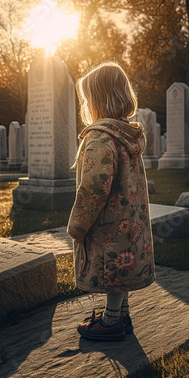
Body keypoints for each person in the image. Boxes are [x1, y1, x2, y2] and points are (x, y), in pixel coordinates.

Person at [67, 61, 156, 342]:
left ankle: (111, 321)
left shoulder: (99, 138)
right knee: (121, 266)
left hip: (108, 222)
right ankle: (120, 315)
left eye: (87, 98)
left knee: (112, 268)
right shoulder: (126, 133)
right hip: (129, 222)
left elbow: (93, 190)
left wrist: (77, 226)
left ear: (96, 100)